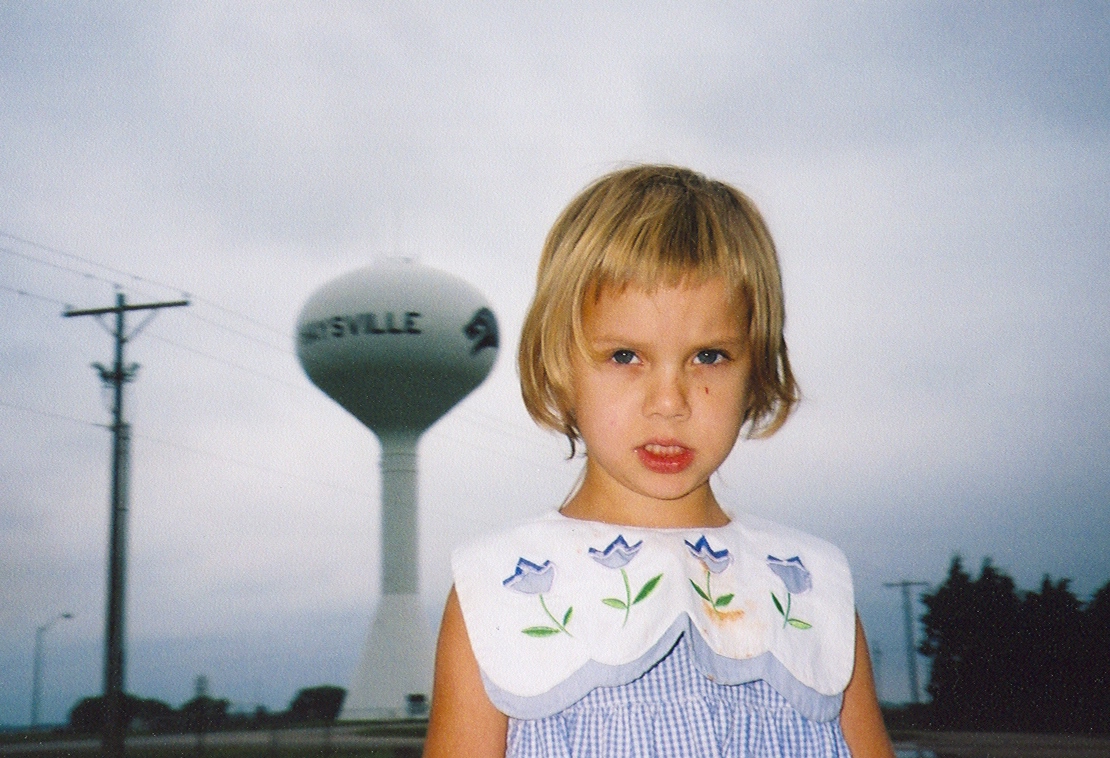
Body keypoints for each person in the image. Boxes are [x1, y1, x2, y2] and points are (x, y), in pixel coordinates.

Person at [424, 165, 894, 757]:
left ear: (757, 370)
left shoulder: (806, 588)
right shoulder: (498, 589)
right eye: (625, 355)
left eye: (709, 356)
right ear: (559, 366)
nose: (668, 403)